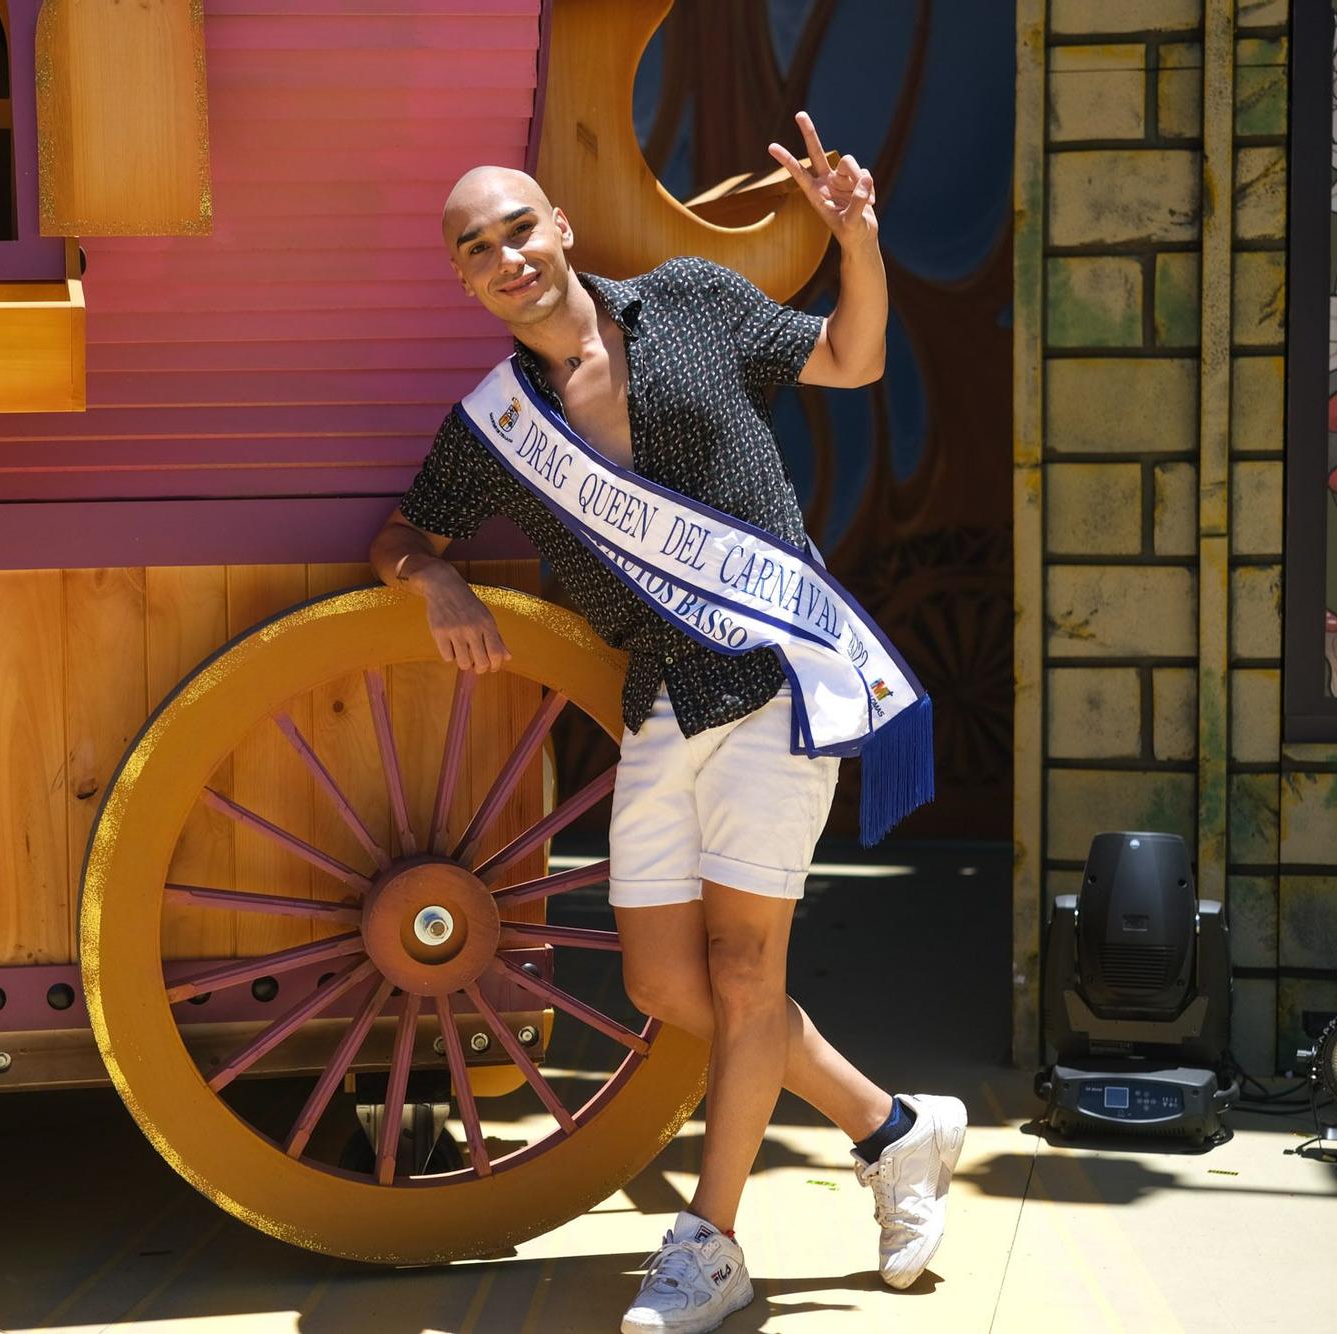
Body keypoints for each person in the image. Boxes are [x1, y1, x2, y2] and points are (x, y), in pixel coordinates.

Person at [368, 113, 966, 1334]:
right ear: (466, 278)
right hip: (654, 706)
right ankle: (892, 1128)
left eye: (518, 226)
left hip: (770, 677)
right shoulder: (494, 426)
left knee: (746, 973)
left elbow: (852, 361)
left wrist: (857, 239)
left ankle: (709, 1242)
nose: (506, 256)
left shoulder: (693, 299)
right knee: (664, 984)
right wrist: (428, 578)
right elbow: (401, 531)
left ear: (562, 227)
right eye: (477, 247)